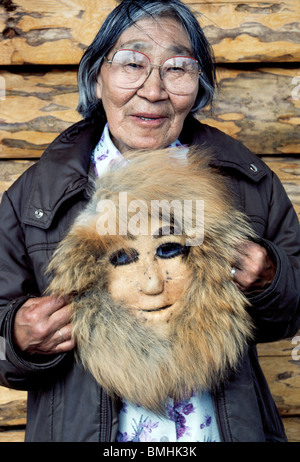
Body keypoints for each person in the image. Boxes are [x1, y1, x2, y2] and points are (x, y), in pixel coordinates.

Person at [0, 0, 299, 442]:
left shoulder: (246, 182)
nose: (153, 90)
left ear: (198, 84)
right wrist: (18, 339)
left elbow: (291, 310)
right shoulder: (36, 196)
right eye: (132, 63)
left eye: (177, 68)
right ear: (97, 76)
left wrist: (270, 279)